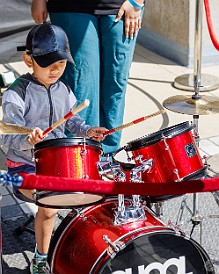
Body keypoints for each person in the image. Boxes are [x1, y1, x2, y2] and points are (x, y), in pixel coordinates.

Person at [0, 22, 108, 274]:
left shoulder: (64, 89)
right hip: (22, 166)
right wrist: (28, 140)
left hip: (58, 162)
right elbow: (6, 137)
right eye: (48, 64)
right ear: (29, 60)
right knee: (49, 206)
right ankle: (40, 258)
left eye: (60, 64)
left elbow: (73, 121)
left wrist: (88, 130)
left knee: (96, 187)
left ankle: (82, 247)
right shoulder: (16, 94)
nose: (55, 70)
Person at [31, 0, 145, 160]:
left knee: (115, 84)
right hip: (70, 6)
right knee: (80, 84)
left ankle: (108, 157)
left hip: (121, 5)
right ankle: (80, 158)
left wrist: (136, 2)